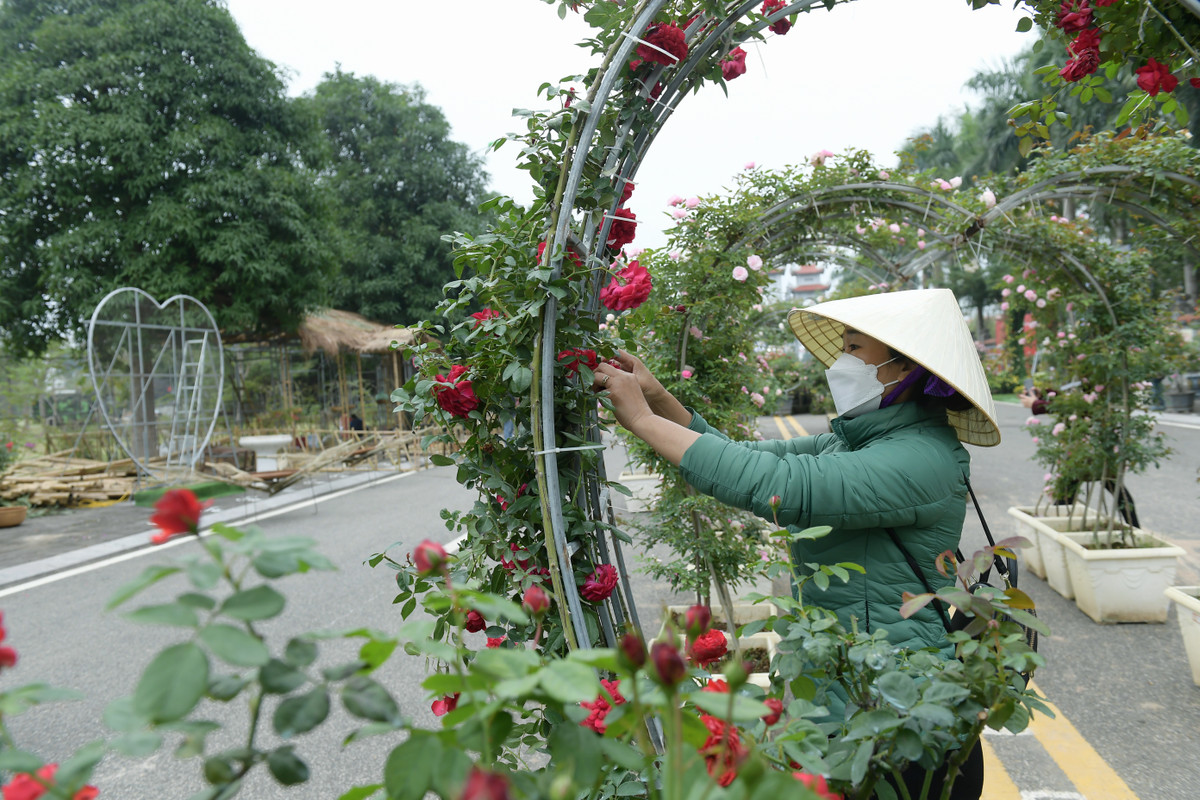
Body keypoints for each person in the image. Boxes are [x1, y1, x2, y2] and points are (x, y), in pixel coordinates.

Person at [592, 288, 1000, 799]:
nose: (840, 361)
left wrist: (642, 421)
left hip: (894, 710)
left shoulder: (920, 458)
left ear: (905, 368)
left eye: (855, 349)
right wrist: (657, 399)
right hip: (849, 688)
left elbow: (775, 485)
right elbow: (742, 456)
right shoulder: (862, 440)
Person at [1019, 385, 1139, 526]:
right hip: (1092, 440)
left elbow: (1083, 403)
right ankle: (1136, 529)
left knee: (1070, 489)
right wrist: (1047, 393)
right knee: (1076, 488)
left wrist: (1037, 404)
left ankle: (1057, 528)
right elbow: (1075, 396)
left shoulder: (1094, 374)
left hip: (1091, 440)